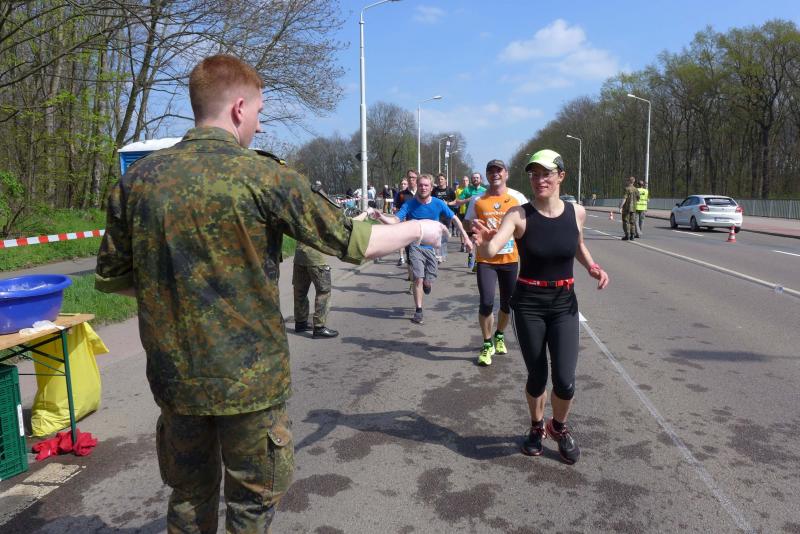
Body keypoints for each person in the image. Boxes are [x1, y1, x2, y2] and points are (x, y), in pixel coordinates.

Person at [94, 54, 447, 533]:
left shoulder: (137, 181)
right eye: (258, 113)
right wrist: (419, 230)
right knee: (251, 505)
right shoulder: (265, 176)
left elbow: (115, 277)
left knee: (188, 498)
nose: (259, 126)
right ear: (239, 108)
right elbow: (353, 242)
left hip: (176, 377)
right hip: (250, 382)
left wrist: (177, 297)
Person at [472, 148, 609, 465]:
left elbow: (577, 243)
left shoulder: (577, 212)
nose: (539, 180)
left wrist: (591, 266)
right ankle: (536, 427)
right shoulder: (518, 215)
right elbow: (493, 248)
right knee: (537, 377)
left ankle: (558, 427)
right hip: (529, 304)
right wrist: (485, 243)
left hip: (564, 304)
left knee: (565, 380)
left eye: (546, 173)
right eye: (534, 174)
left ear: (561, 176)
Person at [371, 173, 471, 325]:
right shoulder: (410, 204)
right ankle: (418, 310)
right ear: (417, 186)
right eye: (421, 185)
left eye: (426, 185)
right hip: (415, 246)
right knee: (418, 277)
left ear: (431, 188)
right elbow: (396, 220)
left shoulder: (438, 203)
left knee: (428, 278)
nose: (423, 188)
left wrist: (466, 238)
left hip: (432, 247)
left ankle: (428, 283)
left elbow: (454, 218)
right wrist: (380, 216)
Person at [464, 159, 527, 366]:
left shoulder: (518, 198)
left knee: (507, 303)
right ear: (487, 176)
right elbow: (467, 223)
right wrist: (474, 229)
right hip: (486, 259)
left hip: (509, 259)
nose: (495, 174)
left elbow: (527, 224)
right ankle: (486, 343)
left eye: (499, 170)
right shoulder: (478, 200)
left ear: (506, 173)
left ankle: (499, 334)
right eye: (491, 171)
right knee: (487, 302)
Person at [293, 241, 338, 338]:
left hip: (299, 255)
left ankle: (301, 323)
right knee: (323, 292)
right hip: (315, 256)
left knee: (300, 291)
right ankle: (319, 328)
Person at [455, 172, 487, 266]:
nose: (475, 179)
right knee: (470, 240)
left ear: (481, 179)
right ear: (471, 180)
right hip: (469, 219)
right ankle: (470, 255)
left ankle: (477, 260)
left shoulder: (484, 190)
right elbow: (458, 201)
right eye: (474, 178)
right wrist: (467, 200)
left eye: (477, 178)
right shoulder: (467, 190)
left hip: (481, 220)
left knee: (479, 241)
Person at [432, 173, 457, 262]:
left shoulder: (450, 190)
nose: (440, 181)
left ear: (445, 180)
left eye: (442, 179)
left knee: (444, 236)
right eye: (439, 179)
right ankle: (438, 254)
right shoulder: (434, 190)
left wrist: (448, 203)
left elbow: (455, 201)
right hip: (437, 215)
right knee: (437, 235)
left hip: (446, 215)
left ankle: (443, 253)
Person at [618, 176, 639, 240]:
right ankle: (632, 235)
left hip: (627, 208)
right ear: (634, 182)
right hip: (634, 208)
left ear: (629, 181)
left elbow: (624, 198)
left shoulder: (626, 189)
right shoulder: (636, 189)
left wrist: (620, 206)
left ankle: (627, 235)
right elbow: (638, 198)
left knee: (626, 221)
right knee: (632, 222)